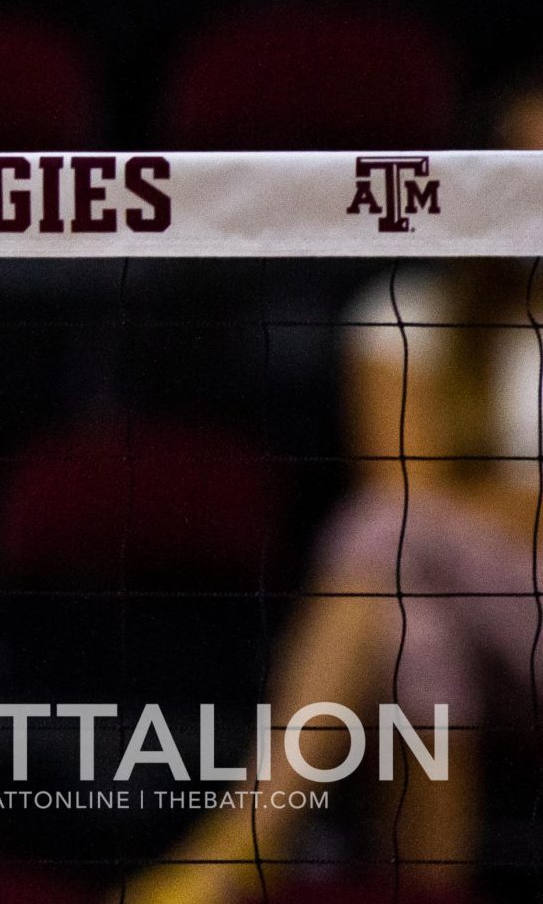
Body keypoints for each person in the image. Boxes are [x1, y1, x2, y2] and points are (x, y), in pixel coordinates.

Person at [130, 89, 543, 904]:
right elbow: (409, 500)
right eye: (520, 171)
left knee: (381, 541)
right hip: (475, 621)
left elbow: (416, 509)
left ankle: (246, 841)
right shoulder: (406, 314)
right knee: (409, 620)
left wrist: (476, 497)